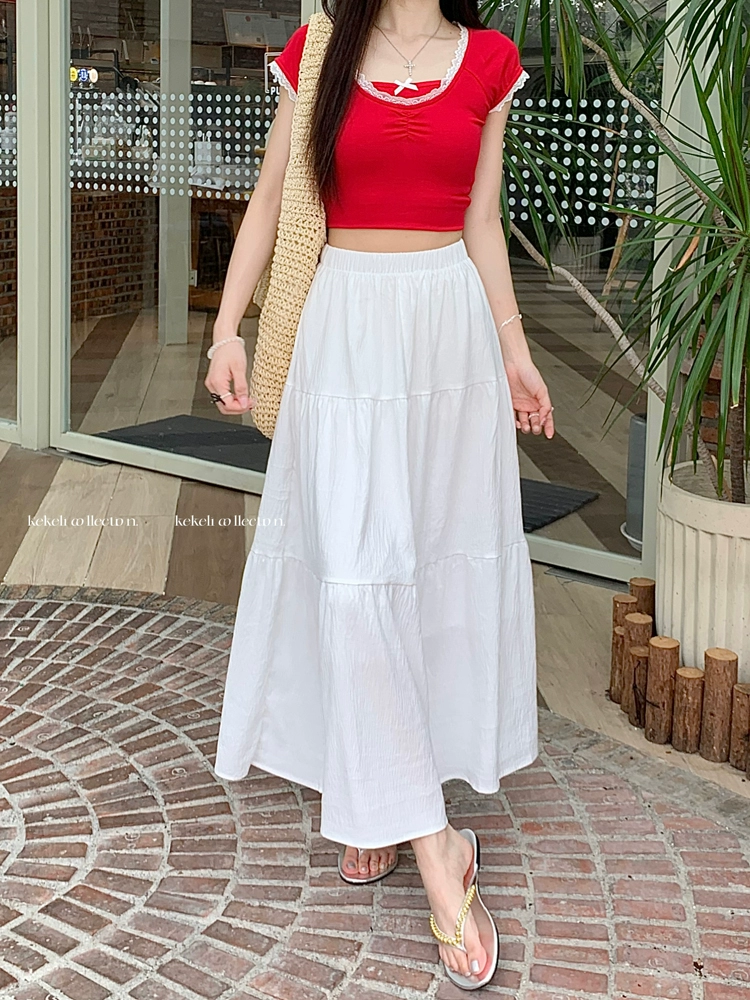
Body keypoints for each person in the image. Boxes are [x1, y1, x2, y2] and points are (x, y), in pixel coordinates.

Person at [207, 0, 554, 989]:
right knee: (357, 582)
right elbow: (271, 198)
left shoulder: (488, 61)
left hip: (447, 339)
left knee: (430, 574)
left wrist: (515, 352)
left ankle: (376, 803)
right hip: (345, 329)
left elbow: (480, 222)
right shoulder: (319, 50)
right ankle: (438, 848)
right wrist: (227, 327)